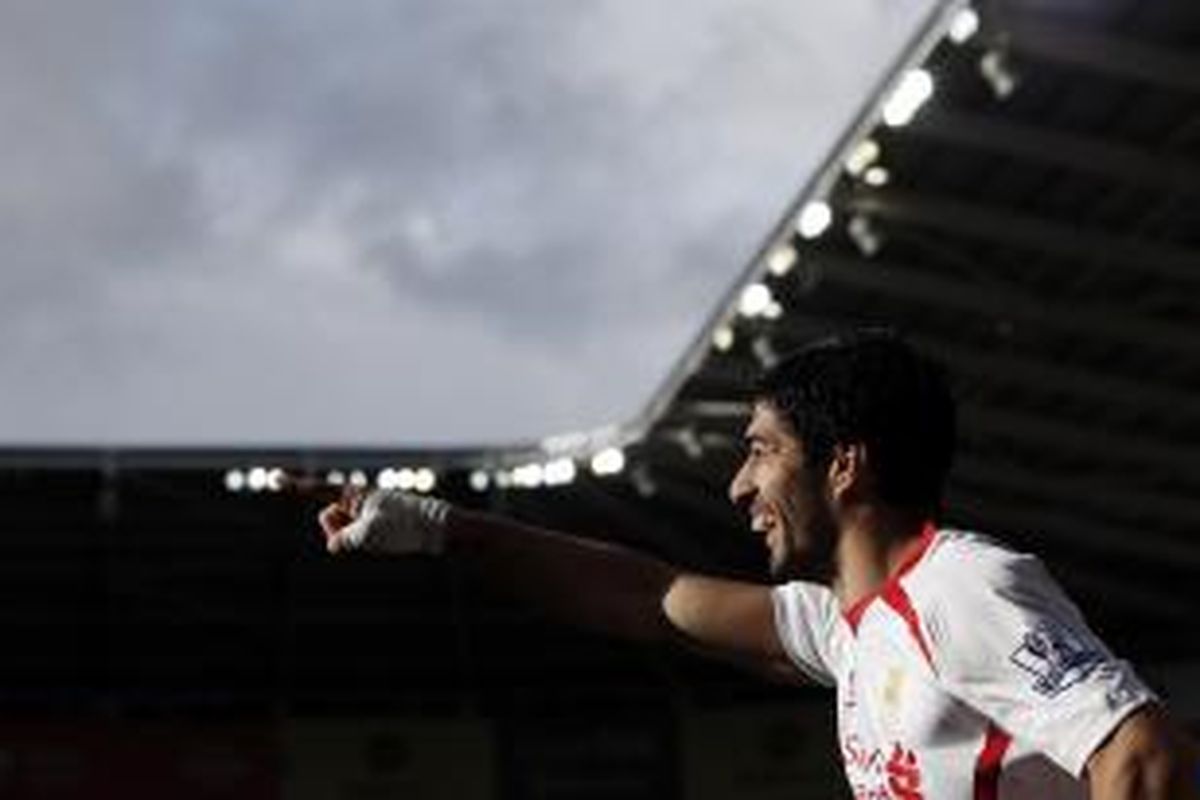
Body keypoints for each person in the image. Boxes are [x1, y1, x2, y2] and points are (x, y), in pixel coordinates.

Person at [318, 330, 1196, 799]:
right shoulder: (847, 628)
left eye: (761, 452)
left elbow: (1143, 752)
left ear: (843, 465)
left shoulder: (962, 587)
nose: (739, 485)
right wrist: (442, 528)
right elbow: (647, 595)